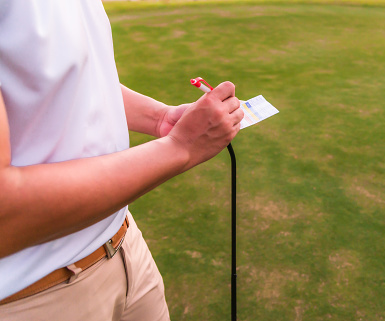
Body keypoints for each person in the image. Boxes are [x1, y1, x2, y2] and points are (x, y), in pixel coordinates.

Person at [0, 1, 244, 320]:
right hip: (33, 296)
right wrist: (180, 147)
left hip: (126, 247)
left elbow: (65, 76)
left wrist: (161, 117)